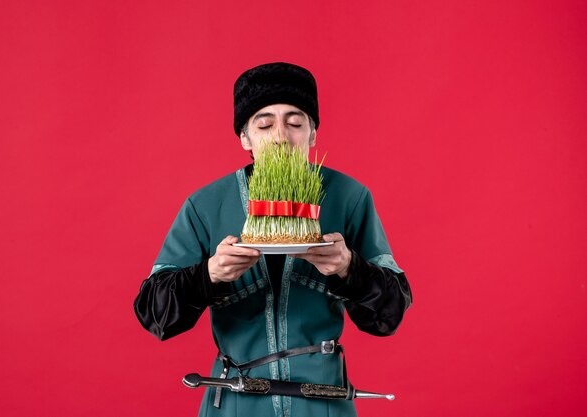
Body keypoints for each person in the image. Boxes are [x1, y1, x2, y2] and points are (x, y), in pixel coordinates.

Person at [134, 62, 412, 417]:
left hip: (324, 401)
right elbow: (153, 313)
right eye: (264, 124)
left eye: (295, 123)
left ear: (313, 134)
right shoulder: (205, 205)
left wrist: (349, 269)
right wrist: (209, 275)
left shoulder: (349, 197)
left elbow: (390, 314)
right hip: (236, 401)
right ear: (245, 137)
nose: (281, 136)